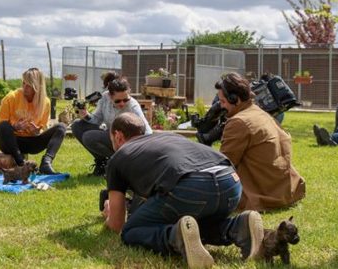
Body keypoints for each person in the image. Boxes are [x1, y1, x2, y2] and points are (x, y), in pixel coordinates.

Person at [102, 112, 265, 268]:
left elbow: (117, 225)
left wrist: (109, 215)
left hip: (191, 187)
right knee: (192, 224)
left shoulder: (118, 157)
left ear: (118, 136)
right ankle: (238, 226)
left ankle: (175, 237)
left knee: (131, 231)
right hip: (230, 181)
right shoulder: (169, 136)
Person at [216, 72, 306, 212]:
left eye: (222, 101)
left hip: (263, 197)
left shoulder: (238, 121)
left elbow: (224, 165)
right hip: (287, 192)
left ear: (235, 99)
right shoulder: (261, 113)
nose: (221, 106)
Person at [72, 73, 152, 176]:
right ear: (110, 96)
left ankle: (118, 162)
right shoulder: (104, 98)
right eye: (118, 101)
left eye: (125, 99)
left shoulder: (133, 106)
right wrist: (86, 115)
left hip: (127, 144)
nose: (122, 103)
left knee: (89, 137)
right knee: (77, 126)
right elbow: (97, 120)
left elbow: (148, 131)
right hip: (113, 136)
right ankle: (102, 163)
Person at [0, 67, 66, 175]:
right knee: (3, 126)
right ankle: (21, 163)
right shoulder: (11, 97)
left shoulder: (46, 102)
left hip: (32, 141)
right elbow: (2, 126)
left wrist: (37, 131)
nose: (25, 87)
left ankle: (46, 163)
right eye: (23, 83)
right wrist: (14, 127)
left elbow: (41, 127)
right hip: (12, 142)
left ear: (37, 86)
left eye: (28, 84)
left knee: (61, 127)